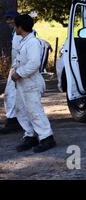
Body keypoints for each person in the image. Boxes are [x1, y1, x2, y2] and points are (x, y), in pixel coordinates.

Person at [11, 14, 56, 153]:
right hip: (22, 83)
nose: (14, 29)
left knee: (35, 111)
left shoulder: (33, 43)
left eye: (15, 26)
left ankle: (46, 137)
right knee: (22, 110)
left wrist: (19, 73)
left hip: (30, 82)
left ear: (20, 27)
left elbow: (34, 63)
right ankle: (30, 135)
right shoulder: (24, 41)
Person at [0, 11, 22, 134]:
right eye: (7, 19)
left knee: (12, 94)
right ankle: (14, 120)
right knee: (11, 94)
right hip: (15, 67)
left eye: (11, 19)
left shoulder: (20, 34)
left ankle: (13, 121)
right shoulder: (15, 33)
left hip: (18, 68)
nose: (8, 21)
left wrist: (18, 70)